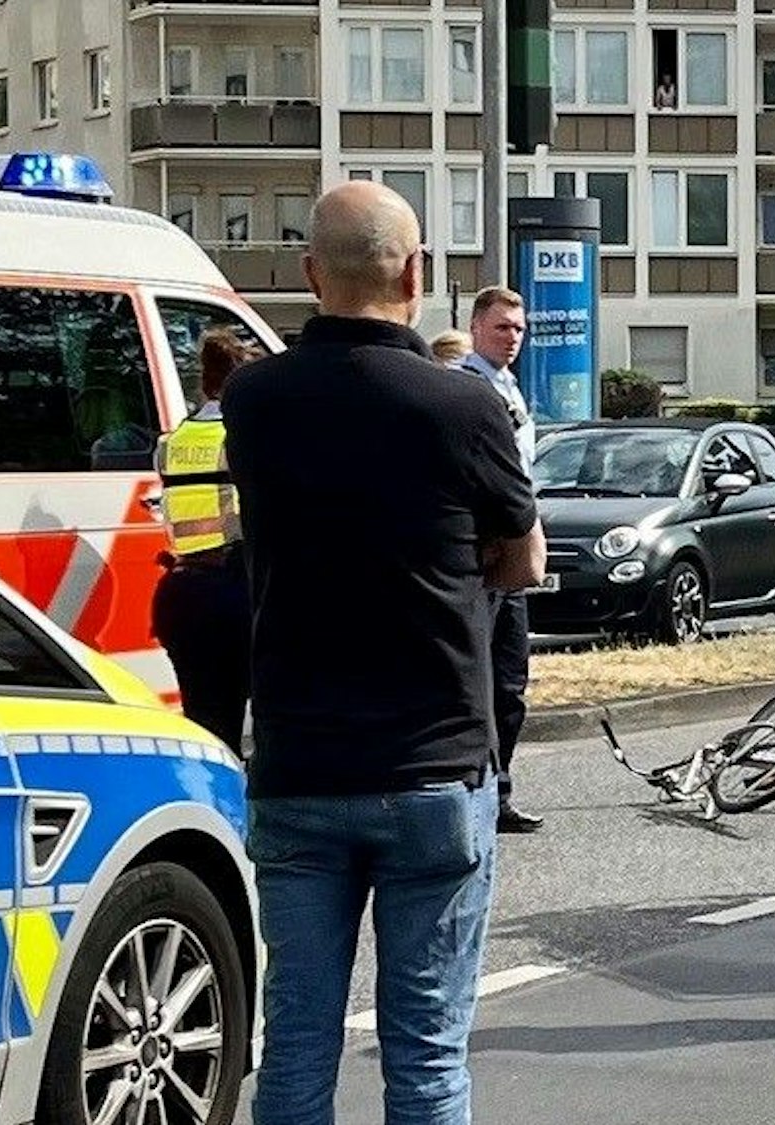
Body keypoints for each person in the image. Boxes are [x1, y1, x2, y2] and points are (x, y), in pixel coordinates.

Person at [222, 181, 543, 1125]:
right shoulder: (461, 407)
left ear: (310, 272)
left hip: (299, 767)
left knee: (296, 1044)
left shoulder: (255, 398)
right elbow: (521, 562)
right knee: (428, 1054)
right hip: (433, 766)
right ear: (416, 273)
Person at [456, 286, 544, 834]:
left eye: (518, 329)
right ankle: (476, 794)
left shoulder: (509, 388)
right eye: (501, 328)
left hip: (511, 556)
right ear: (475, 328)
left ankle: (500, 789)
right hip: (481, 557)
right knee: (477, 683)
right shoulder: (467, 388)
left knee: (510, 684)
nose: (512, 338)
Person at [150, 328, 257, 752]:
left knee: (207, 727)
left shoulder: (171, 442)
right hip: (237, 588)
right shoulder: (243, 438)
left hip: (183, 591)